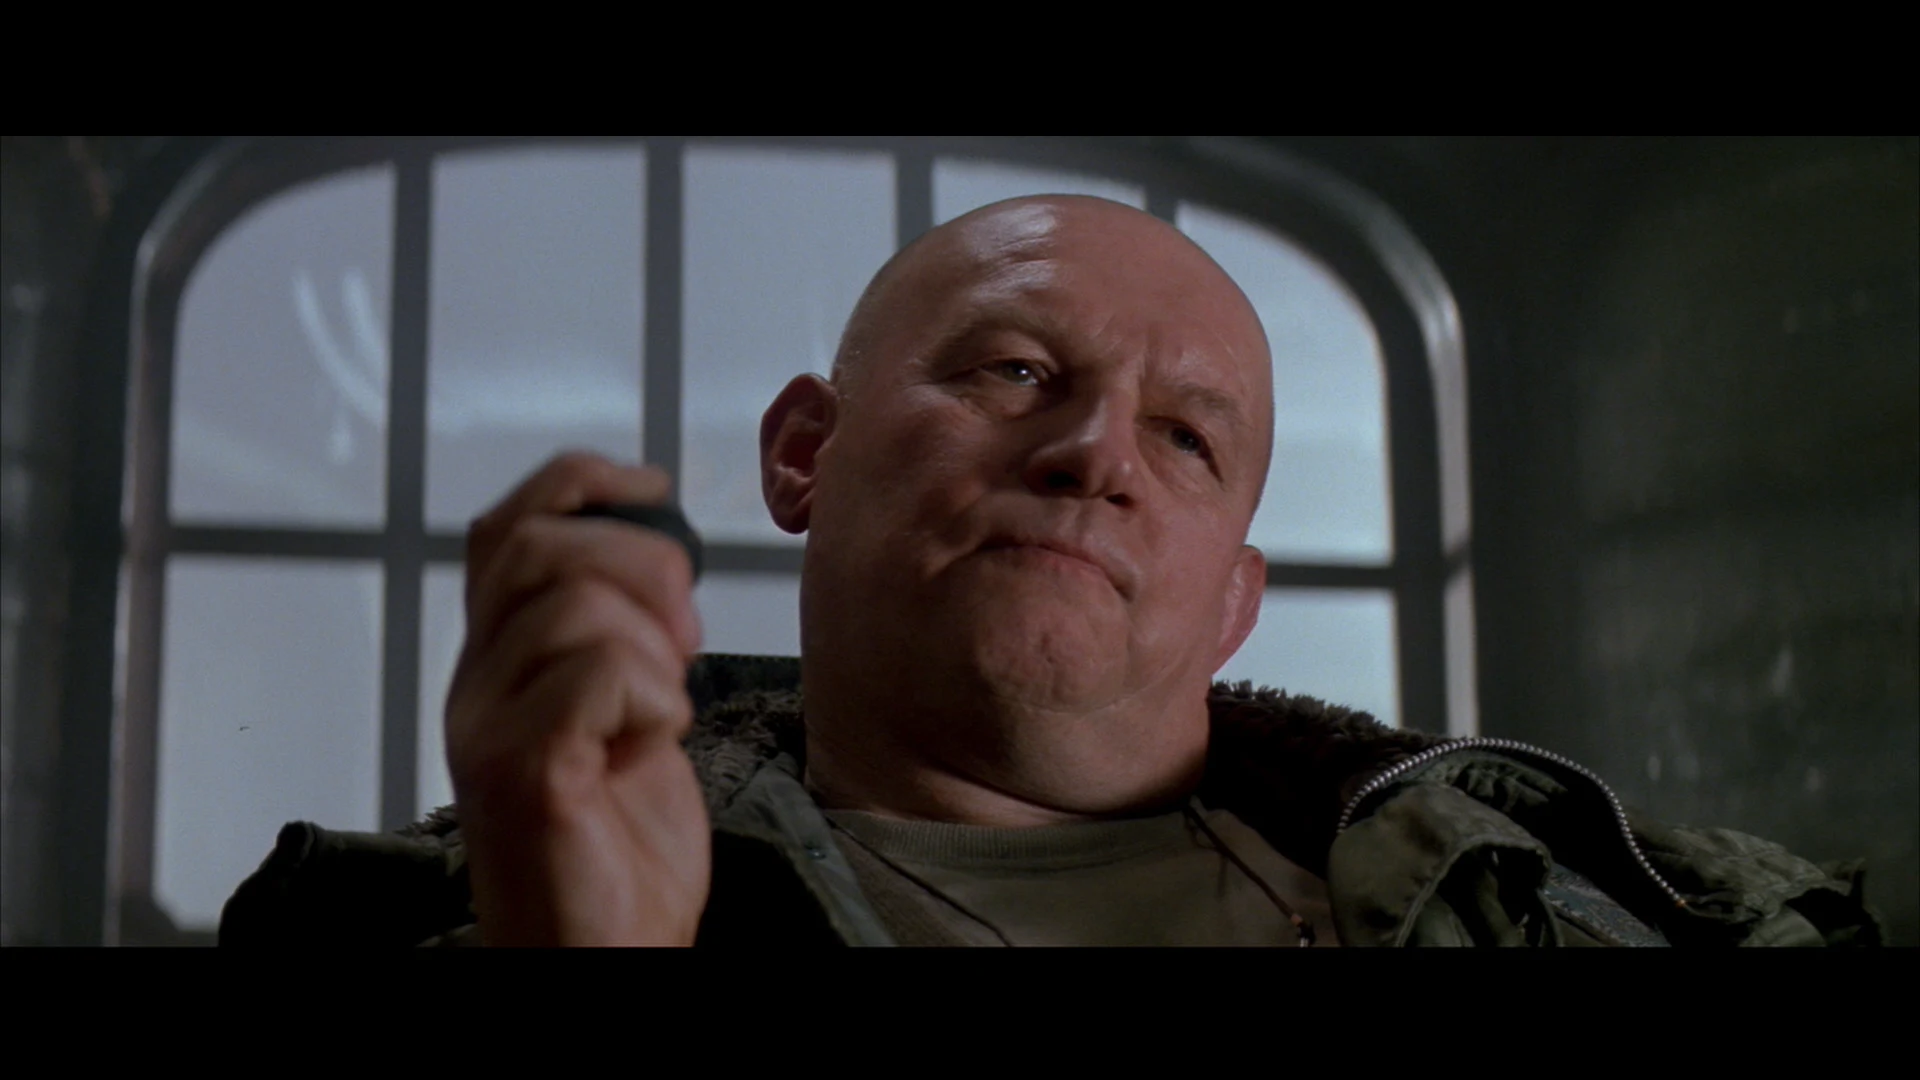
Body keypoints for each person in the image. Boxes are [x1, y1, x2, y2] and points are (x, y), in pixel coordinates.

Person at [219, 196, 1882, 947]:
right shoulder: (451, 914)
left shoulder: (1631, 903)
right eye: (1015, 370)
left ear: (1233, 601)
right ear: (803, 453)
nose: (1095, 453)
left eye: (1188, 440)